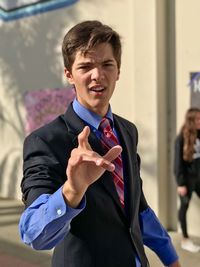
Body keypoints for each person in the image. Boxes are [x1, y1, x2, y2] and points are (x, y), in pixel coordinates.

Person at [19, 20, 181, 267]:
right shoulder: (45, 141)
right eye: (85, 66)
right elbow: (34, 234)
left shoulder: (127, 131)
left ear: (118, 71)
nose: (98, 75)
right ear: (69, 75)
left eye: (107, 64)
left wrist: (170, 257)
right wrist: (72, 190)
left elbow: (137, 208)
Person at [174, 107, 200, 253]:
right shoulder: (181, 138)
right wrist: (180, 183)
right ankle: (185, 239)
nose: (199, 121)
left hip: (199, 178)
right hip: (187, 180)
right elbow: (177, 163)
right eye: (197, 119)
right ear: (190, 121)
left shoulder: (199, 134)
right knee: (184, 207)